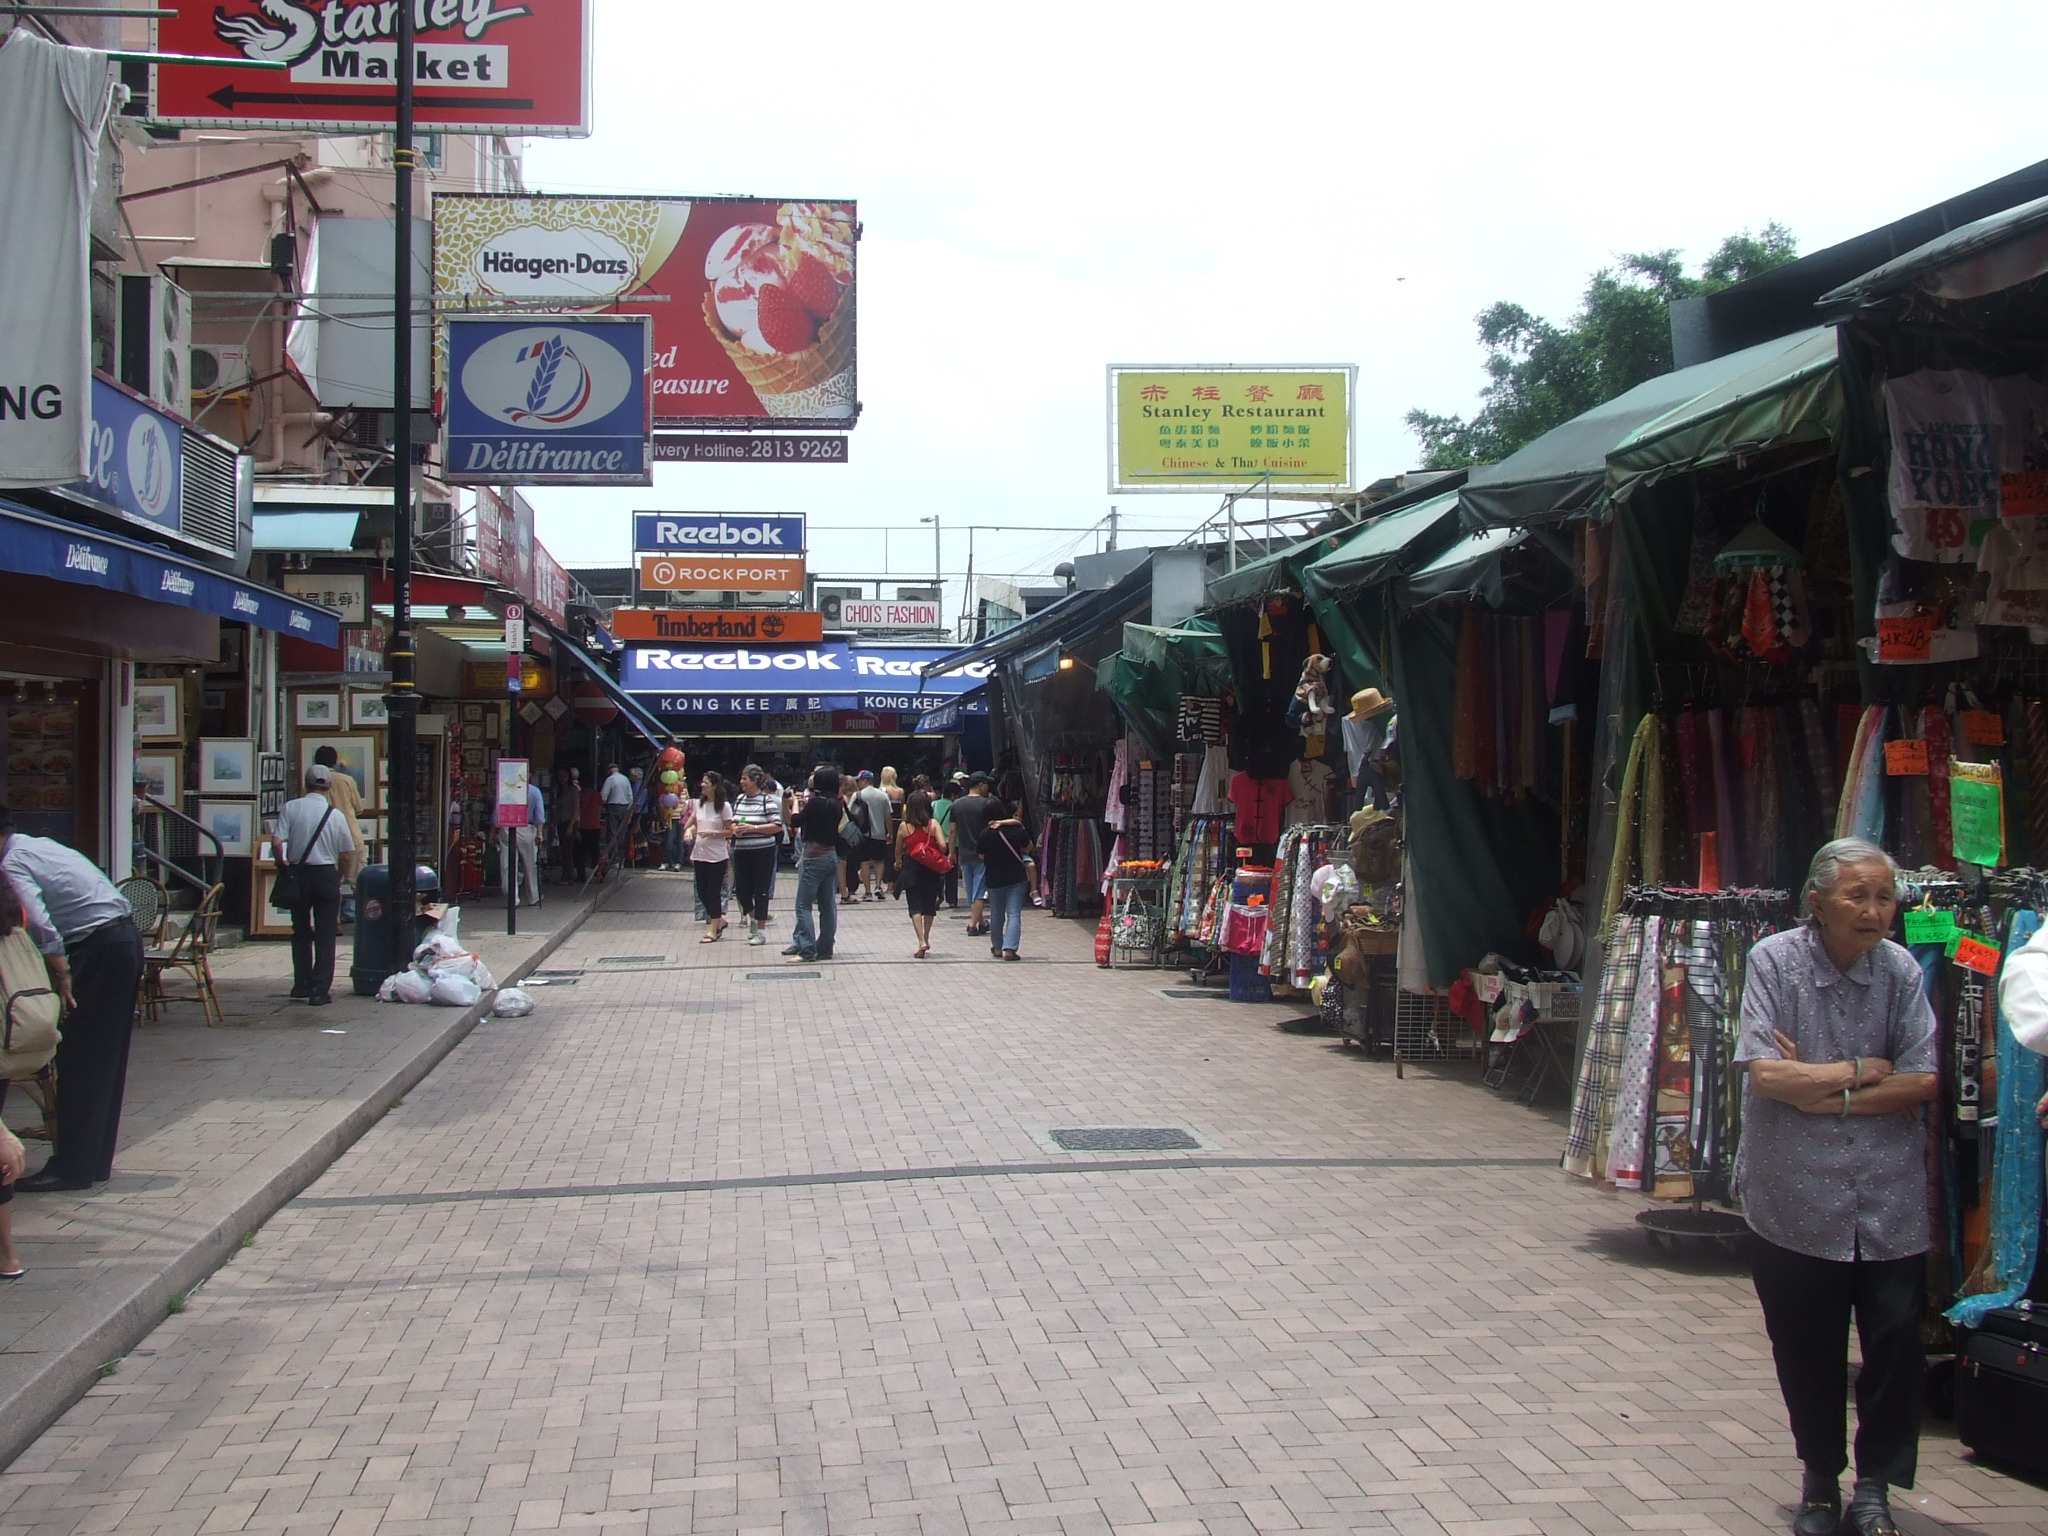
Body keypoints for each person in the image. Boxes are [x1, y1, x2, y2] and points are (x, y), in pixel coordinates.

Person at [1735, 838, 1939, 1536]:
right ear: (1818, 903)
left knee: (1893, 1345)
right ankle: (1820, 1481)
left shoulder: (1902, 973)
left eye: (1885, 897)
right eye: (1860, 896)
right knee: (1807, 1347)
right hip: (1793, 1197)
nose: (1875, 911)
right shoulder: (1774, 963)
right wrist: (1863, 1070)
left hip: (1889, 1198)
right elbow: (1766, 1075)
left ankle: (1875, 1484)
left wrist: (1822, 1089)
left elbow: (1925, 1077)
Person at [0, 822, 144, 1195]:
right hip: (120, 938)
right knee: (103, 1059)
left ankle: (72, 1167)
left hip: (97, 946)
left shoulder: (13, 861)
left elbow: (41, 922)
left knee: (79, 1057)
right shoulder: (39, 845)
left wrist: (60, 969)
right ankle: (91, 1162)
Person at [276, 765, 354, 1007]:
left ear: (305, 784)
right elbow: (347, 854)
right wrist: (339, 877)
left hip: (299, 873)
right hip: (326, 874)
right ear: (328, 787)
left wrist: (284, 866)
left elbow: (277, 842)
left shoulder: (291, 807)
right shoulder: (336, 815)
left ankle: (301, 983)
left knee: (300, 930)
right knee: (325, 934)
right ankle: (320, 989)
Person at [785, 765, 845, 964]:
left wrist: (794, 804)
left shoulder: (814, 804)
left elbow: (795, 821)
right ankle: (826, 947)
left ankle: (807, 949)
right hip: (831, 856)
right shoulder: (836, 804)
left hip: (813, 857)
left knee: (803, 905)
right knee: (827, 906)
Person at [975, 792, 1033, 961]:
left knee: (996, 913)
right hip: (1016, 877)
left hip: (994, 878)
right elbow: (1028, 847)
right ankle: (1010, 948)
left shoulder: (984, 834)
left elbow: (981, 856)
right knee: (1014, 913)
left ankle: (998, 947)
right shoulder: (1015, 829)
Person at [729, 765, 781, 946]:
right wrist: (736, 829)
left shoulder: (767, 800)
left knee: (761, 891)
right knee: (742, 892)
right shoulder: (740, 799)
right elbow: (734, 821)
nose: (742, 782)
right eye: (741, 779)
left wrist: (754, 829)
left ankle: (760, 930)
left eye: (745, 779)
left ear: (755, 781)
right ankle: (755, 915)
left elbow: (776, 826)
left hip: (763, 852)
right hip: (742, 851)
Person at [895, 790, 945, 958]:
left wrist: (898, 862)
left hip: (911, 868)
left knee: (914, 905)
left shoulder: (904, 826)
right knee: (929, 905)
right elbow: (943, 846)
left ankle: (921, 940)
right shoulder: (933, 824)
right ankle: (927, 936)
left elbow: (898, 849)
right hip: (930, 869)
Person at [684, 771, 733, 942]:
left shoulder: (724, 806)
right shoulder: (699, 804)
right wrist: (689, 831)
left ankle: (713, 930)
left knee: (713, 892)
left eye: (706, 782)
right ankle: (719, 920)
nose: (702, 785)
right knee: (702, 892)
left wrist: (713, 833)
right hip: (700, 854)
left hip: (717, 856)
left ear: (714, 786)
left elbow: (731, 830)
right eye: (702, 782)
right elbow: (691, 823)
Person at [310, 744, 367, 884]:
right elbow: (359, 809)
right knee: (356, 882)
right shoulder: (347, 780)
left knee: (329, 884)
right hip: (351, 835)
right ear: (335, 761)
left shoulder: (311, 784)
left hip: (324, 840)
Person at [950, 772, 995, 936]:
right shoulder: (987, 804)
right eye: (986, 784)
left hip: (964, 852)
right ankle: (973, 924)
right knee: (980, 890)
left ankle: (982, 922)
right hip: (984, 853)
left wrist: (951, 852)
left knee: (971, 890)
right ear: (981, 785)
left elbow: (953, 830)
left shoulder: (956, 805)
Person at [851, 769, 893, 901]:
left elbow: (850, 812)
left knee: (865, 862)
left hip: (863, 834)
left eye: (859, 780)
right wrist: (890, 832)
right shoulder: (882, 795)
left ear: (865, 781)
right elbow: (888, 816)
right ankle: (878, 886)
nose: (858, 783)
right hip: (879, 833)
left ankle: (867, 891)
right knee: (879, 860)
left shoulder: (858, 795)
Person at [517, 771, 545, 907]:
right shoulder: (534, 791)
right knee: (530, 864)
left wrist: (494, 831)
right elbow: (539, 815)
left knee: (507, 864)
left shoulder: (506, 790)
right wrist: (539, 832)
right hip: (527, 827)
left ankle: (512, 895)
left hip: (508, 826)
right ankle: (534, 895)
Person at [599, 761, 634, 861]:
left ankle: (614, 858)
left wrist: (602, 805)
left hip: (613, 807)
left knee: (612, 833)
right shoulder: (625, 779)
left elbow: (604, 795)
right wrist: (629, 810)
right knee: (622, 833)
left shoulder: (610, 779)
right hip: (625, 807)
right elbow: (630, 796)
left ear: (610, 770)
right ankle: (621, 856)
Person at [552, 768, 579, 882]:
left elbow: (575, 809)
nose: (562, 779)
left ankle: (568, 875)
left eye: (564, 776)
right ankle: (567, 873)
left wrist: (571, 826)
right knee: (562, 850)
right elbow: (558, 809)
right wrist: (554, 823)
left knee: (568, 850)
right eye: (560, 776)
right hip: (561, 822)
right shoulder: (559, 791)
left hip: (570, 822)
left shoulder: (573, 791)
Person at [577, 771, 604, 880]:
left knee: (580, 852)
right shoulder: (596, 794)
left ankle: (581, 875)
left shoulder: (580, 795)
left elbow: (578, 810)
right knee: (595, 852)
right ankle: (599, 873)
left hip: (583, 826)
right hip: (595, 825)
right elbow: (601, 806)